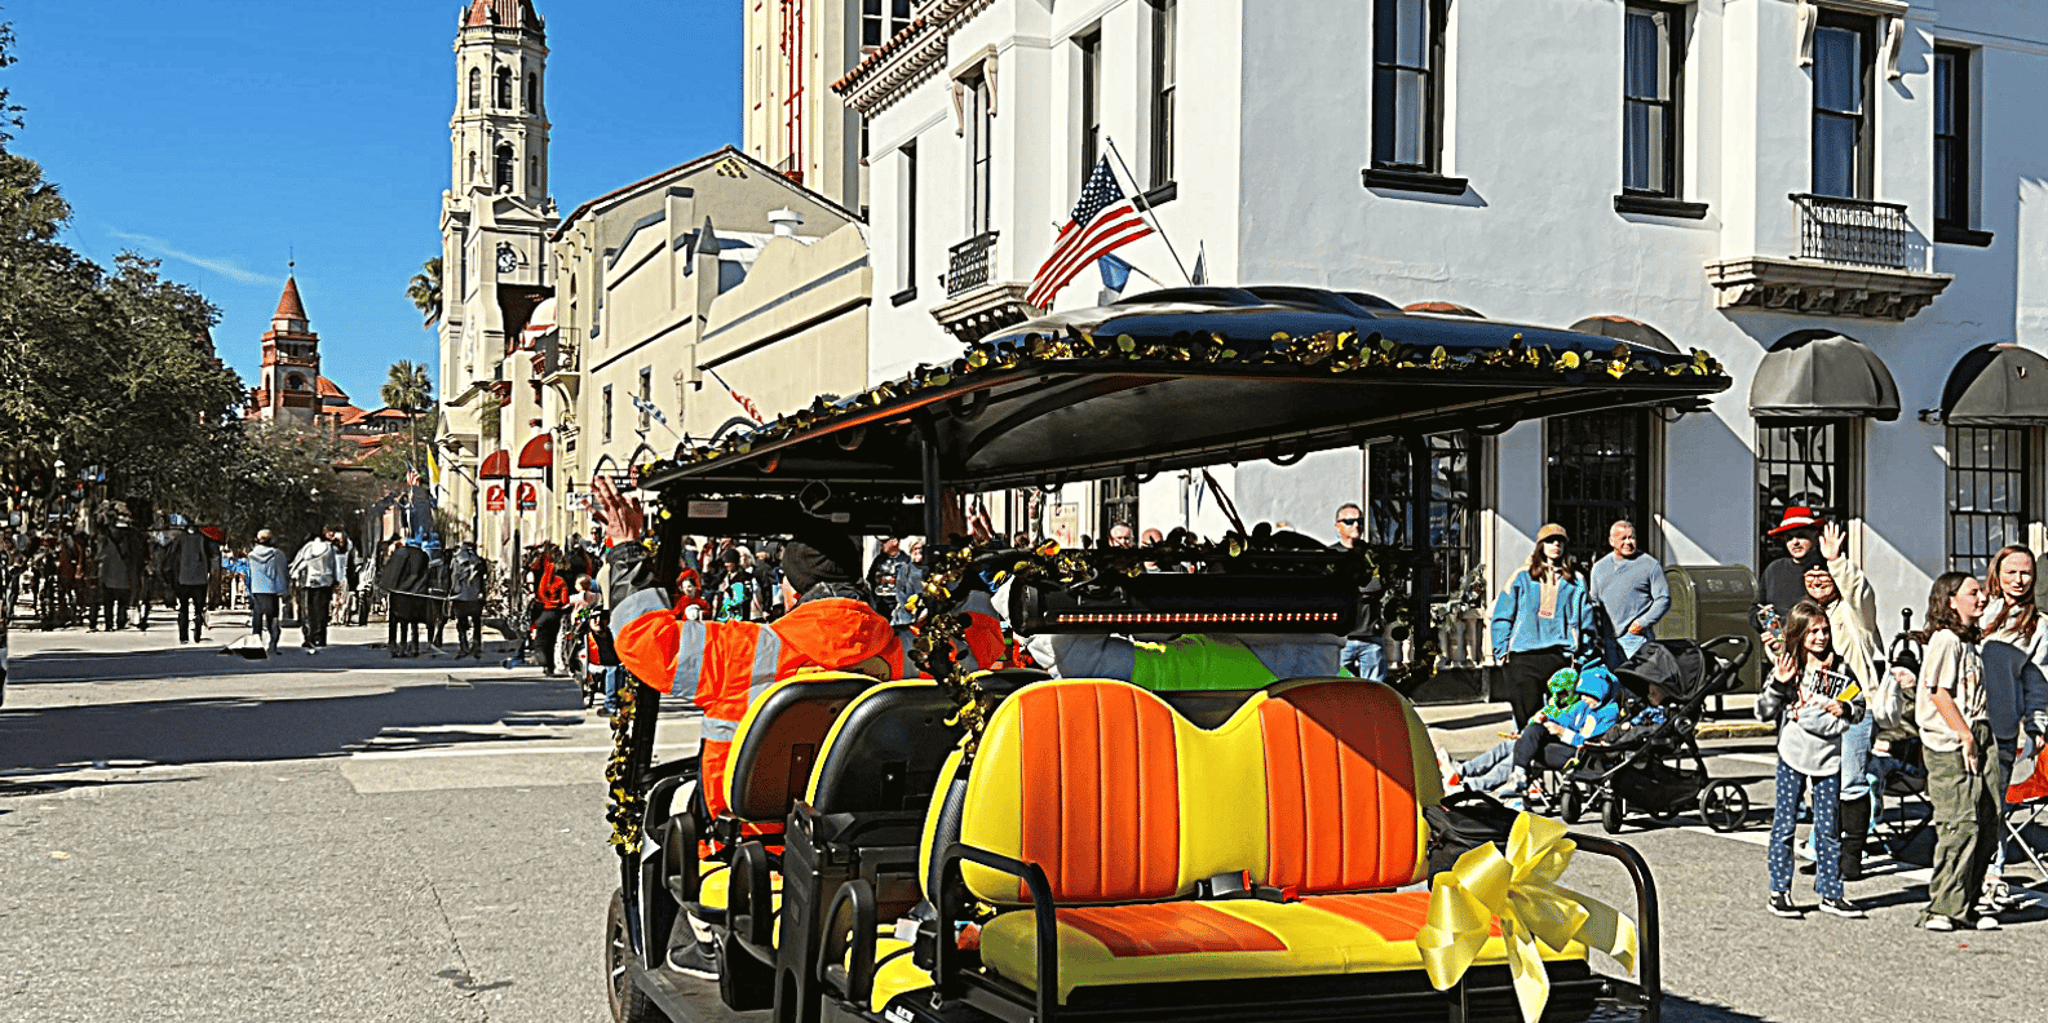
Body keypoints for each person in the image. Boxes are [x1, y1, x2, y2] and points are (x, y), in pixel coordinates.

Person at [1757, 600, 1868, 920]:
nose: (1820, 637)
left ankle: (1831, 893)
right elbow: (1763, 711)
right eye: (1812, 632)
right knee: (1785, 823)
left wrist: (1844, 709)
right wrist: (1779, 684)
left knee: (1828, 827)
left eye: (1824, 630)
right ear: (1799, 635)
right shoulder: (1790, 667)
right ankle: (1779, 891)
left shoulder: (1841, 669)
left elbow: (1858, 705)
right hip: (1793, 755)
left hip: (1829, 758)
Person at [1912, 572, 2000, 931]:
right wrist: (1964, 735)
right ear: (1951, 600)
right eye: (1973, 592)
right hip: (1950, 738)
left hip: (1979, 728)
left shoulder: (1969, 641)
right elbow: (1939, 694)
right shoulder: (1945, 640)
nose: (1981, 598)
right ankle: (1944, 907)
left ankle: (1970, 901)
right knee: (1960, 823)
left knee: (1988, 819)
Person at [1799, 521, 1882, 881]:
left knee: (1851, 782)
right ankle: (1826, 851)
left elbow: (1859, 591)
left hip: (1854, 711)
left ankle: (1852, 857)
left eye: (1824, 576)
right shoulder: (1811, 619)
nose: (1818, 581)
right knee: (1823, 784)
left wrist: (1838, 562)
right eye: (1811, 577)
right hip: (1819, 712)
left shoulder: (1854, 614)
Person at [1971, 545, 2048, 912]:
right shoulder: (1978, 608)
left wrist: (2036, 724)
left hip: (2003, 728)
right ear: (1996, 574)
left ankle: (1994, 874)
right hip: (1966, 726)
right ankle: (1964, 876)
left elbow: (2038, 682)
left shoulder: (2039, 626)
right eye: (2012, 572)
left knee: (1995, 805)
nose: (2020, 580)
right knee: (1966, 803)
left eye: (2026, 573)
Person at [1445, 665, 1621, 799]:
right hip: (1563, 746)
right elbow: (1564, 719)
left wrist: (1561, 732)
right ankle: (1469, 773)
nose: (1583, 699)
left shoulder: (1607, 714)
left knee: (1521, 750)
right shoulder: (1582, 706)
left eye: (1587, 696)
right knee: (1524, 737)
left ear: (1600, 694)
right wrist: (1546, 721)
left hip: (1581, 754)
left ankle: (1472, 784)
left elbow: (1591, 743)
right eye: (1581, 695)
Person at [1489, 524, 1594, 728]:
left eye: (1560, 541)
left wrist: (1582, 657)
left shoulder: (1576, 581)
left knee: (1562, 722)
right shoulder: (1522, 576)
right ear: (1540, 546)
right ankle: (1529, 759)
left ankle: (1554, 759)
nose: (1555, 544)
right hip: (1523, 658)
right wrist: (1501, 651)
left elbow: (1586, 622)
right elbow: (1502, 615)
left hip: (1560, 657)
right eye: (1550, 540)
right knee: (1529, 723)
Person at [1588, 519, 1668, 663]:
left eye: (1632, 537)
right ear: (1611, 541)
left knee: (1636, 681)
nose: (1628, 542)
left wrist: (1642, 623)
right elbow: (1594, 601)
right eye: (1623, 538)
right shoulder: (1599, 567)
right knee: (1613, 681)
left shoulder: (1650, 565)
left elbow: (1663, 598)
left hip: (1636, 638)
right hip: (1607, 640)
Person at [1331, 502, 1389, 682]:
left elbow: (1377, 586)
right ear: (1337, 525)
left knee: (1375, 691)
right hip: (1340, 639)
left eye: (1360, 521)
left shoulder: (1373, 555)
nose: (1356, 525)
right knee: (1337, 690)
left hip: (1370, 636)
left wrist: (1349, 586)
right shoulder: (1330, 555)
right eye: (1349, 521)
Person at [1754, 506, 1826, 647]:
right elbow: (1756, 609)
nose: (1795, 542)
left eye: (1801, 535)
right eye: (1789, 538)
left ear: (1815, 537)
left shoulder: (1827, 569)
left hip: (1819, 649)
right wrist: (1774, 632)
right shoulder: (1773, 570)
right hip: (1783, 650)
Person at [290, 528, 337, 652]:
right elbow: (333, 565)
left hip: (310, 581)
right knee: (322, 610)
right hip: (326, 581)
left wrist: (294, 573)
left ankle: (310, 636)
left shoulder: (309, 547)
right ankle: (321, 637)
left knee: (309, 611)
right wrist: (334, 579)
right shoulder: (329, 548)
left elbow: (300, 561)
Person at [170, 519, 216, 643]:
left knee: (183, 608)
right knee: (199, 608)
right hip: (200, 579)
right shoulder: (204, 538)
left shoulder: (179, 539)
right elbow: (212, 555)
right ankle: (198, 629)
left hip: (183, 578)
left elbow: (172, 557)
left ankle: (183, 636)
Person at [246, 529, 288, 656]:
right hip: (271, 590)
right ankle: (273, 644)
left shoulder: (251, 555)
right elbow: (281, 573)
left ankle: (255, 646)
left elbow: (249, 575)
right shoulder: (277, 554)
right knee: (273, 618)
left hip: (257, 590)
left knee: (257, 620)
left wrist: (249, 589)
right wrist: (283, 590)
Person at [449, 540, 489, 659]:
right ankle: (476, 646)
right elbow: (483, 580)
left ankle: (464, 647)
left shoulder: (456, 560)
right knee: (476, 622)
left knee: (461, 624)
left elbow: (453, 578)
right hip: (475, 598)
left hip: (460, 597)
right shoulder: (479, 561)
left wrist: (452, 593)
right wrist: (482, 594)